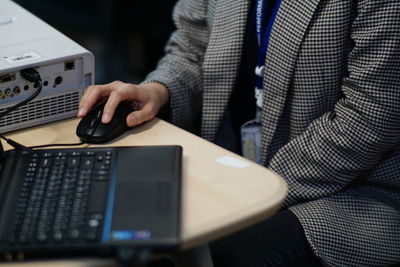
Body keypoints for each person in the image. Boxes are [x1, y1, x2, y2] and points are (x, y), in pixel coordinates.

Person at [78, 0, 400, 266]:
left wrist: (245, 187)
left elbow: (369, 117)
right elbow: (191, 46)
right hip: (230, 164)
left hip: (354, 190)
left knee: (223, 251)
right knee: (118, 211)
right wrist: (158, 90)